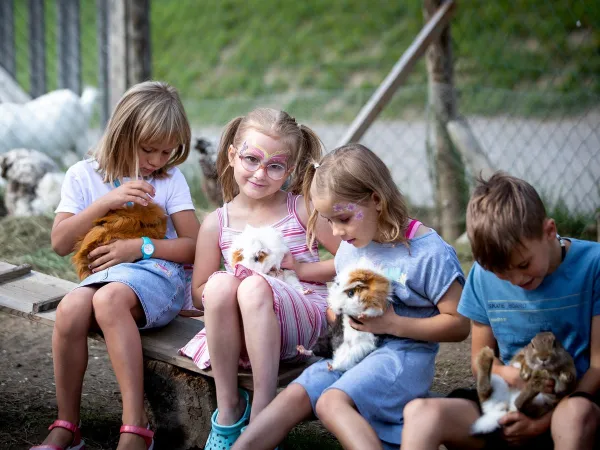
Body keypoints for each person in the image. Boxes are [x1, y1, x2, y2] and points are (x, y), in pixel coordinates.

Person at [232, 143, 469, 450]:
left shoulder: (429, 253)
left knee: (331, 402)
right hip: (352, 353)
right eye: (328, 221)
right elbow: (337, 310)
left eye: (343, 219)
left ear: (376, 200)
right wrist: (340, 314)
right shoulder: (351, 247)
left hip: (402, 357)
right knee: (294, 394)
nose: (336, 232)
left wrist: (393, 324)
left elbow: (459, 324)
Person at [30, 81, 200, 450]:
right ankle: (66, 425)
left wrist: (141, 247)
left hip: (159, 276)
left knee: (107, 301)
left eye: (167, 151)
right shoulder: (83, 174)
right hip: (104, 280)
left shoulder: (170, 180)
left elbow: (194, 247)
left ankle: (135, 427)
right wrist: (105, 203)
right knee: (71, 307)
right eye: (148, 149)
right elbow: (60, 243)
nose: (156, 160)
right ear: (122, 134)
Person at [401, 172, 600, 450]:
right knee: (420, 413)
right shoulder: (483, 276)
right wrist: (511, 378)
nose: (517, 280)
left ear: (549, 231)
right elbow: (481, 361)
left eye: (523, 265)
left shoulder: (593, 265)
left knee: (576, 414)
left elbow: (598, 366)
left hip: (569, 405)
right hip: (510, 404)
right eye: (502, 274)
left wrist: (539, 425)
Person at [179, 108, 340, 449]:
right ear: (232, 156)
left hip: (302, 325)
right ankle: (228, 410)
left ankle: (263, 419)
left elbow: (354, 259)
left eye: (275, 166)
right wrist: (235, 280)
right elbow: (198, 294)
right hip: (241, 334)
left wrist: (302, 269)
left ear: (290, 170)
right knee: (223, 283)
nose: (260, 173)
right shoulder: (217, 223)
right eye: (251, 159)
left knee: (252, 286)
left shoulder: (301, 209)